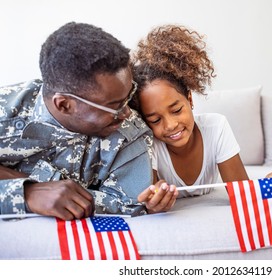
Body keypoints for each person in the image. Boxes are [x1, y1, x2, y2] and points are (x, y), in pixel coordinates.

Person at [0, 22, 178, 221]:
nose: (127, 112)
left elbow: (130, 205)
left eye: (129, 96)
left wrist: (25, 181)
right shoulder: (5, 113)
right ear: (64, 105)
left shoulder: (129, 133)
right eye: (115, 105)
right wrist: (27, 194)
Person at [130, 24, 272, 198]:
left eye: (176, 110)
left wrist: (271, 182)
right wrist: (154, 202)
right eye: (155, 120)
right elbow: (149, 201)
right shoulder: (148, 142)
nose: (170, 125)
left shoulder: (216, 127)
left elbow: (242, 194)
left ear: (190, 99)